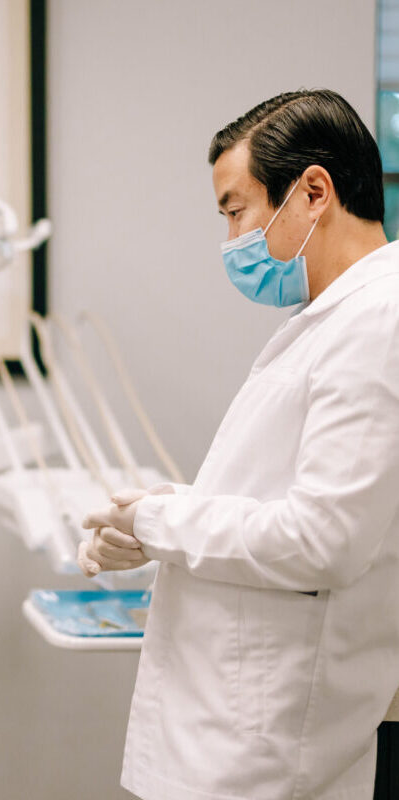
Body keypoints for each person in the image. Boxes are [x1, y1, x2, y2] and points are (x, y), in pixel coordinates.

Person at [78, 89, 399, 799]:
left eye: (236, 210)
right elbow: (283, 500)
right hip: (238, 739)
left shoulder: (379, 321)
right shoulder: (335, 321)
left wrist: (160, 523)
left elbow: (325, 539)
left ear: (313, 191)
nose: (232, 242)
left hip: (270, 750)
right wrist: (155, 516)